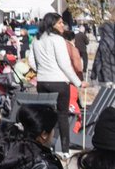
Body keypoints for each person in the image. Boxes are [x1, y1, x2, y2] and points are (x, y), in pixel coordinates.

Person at [29, 12, 84, 156]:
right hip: (59, 82)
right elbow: (65, 65)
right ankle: (64, 150)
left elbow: (31, 62)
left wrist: (42, 70)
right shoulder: (58, 40)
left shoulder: (37, 39)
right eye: (60, 22)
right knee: (62, 116)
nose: (63, 25)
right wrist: (78, 82)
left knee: (45, 116)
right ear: (52, 24)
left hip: (42, 81)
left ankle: (43, 146)